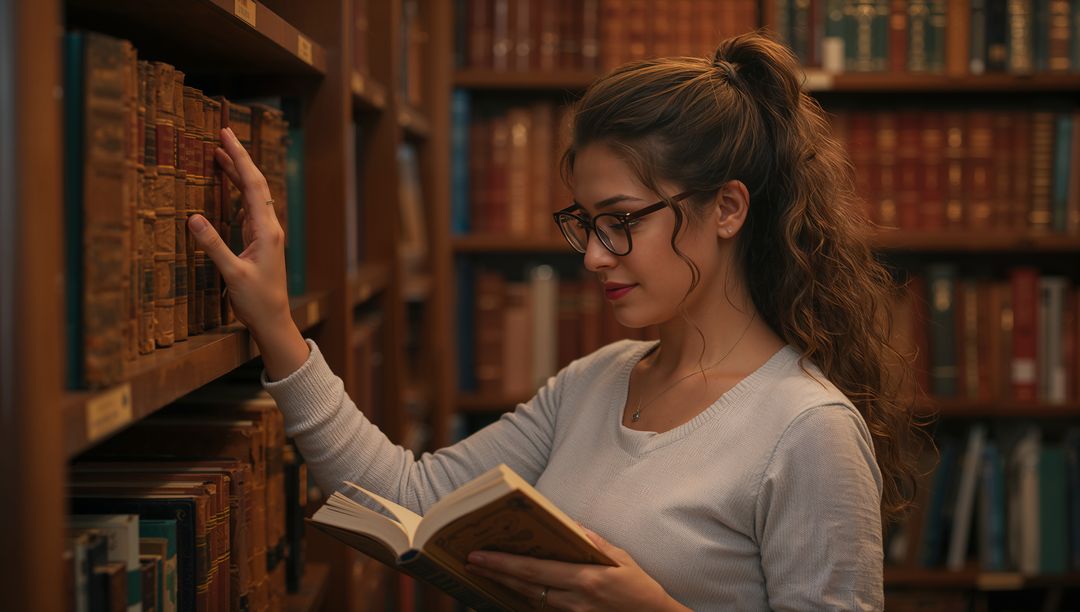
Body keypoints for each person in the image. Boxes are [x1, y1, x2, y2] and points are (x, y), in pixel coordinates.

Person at [188, 31, 923, 611]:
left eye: (623, 222)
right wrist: (276, 326)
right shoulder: (594, 383)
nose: (595, 258)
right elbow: (406, 500)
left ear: (727, 208)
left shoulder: (807, 430)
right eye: (588, 224)